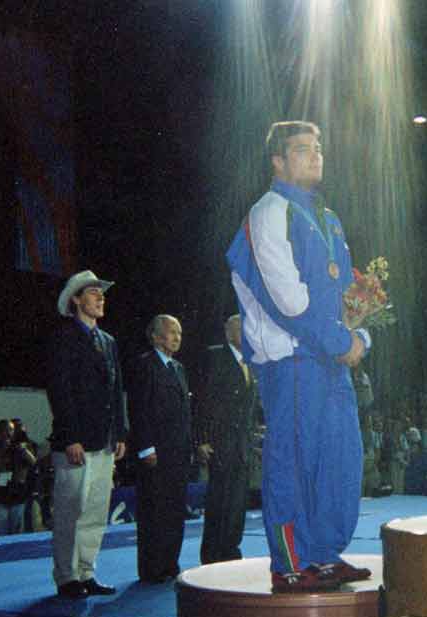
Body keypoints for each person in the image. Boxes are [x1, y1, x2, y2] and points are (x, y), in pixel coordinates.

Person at [226, 120, 372, 592]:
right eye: (302, 150)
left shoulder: (328, 220)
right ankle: (289, 563)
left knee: (339, 459)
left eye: (318, 148)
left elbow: (346, 294)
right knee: (293, 460)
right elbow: (287, 301)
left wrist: (362, 331)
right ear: (278, 161)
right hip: (290, 361)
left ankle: (323, 555)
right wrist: (339, 342)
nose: (315, 157)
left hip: (328, 360)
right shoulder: (269, 213)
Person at [47, 270, 127, 599]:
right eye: (93, 293)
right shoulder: (63, 338)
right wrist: (69, 437)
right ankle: (66, 576)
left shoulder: (108, 342)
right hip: (76, 442)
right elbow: (60, 390)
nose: (100, 298)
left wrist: (120, 433)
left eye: (102, 293)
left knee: (95, 511)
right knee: (70, 510)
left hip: (104, 441)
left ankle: (87, 571)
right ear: (77, 300)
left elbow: (117, 390)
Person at [128, 315, 193, 583]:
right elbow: (139, 409)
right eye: (171, 332)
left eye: (179, 332)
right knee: (154, 510)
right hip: (155, 452)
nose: (177, 337)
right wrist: (145, 448)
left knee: (175, 510)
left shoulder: (178, 368)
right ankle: (152, 568)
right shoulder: (145, 365)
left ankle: (170, 564)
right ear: (155, 337)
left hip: (178, 452)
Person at [196, 314, 261, 565]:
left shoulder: (251, 363)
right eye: (241, 328)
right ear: (228, 332)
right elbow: (203, 401)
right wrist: (201, 439)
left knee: (237, 503)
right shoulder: (215, 357)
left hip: (242, 445)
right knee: (219, 501)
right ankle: (212, 556)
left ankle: (231, 551)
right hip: (220, 442)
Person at [0, 419, 36, 535]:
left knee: (17, 529)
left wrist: (23, 450)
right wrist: (2, 451)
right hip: (0, 494)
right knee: (1, 529)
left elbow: (33, 462)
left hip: (18, 493)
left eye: (11, 430)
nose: (9, 433)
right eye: (5, 430)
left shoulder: (23, 445)